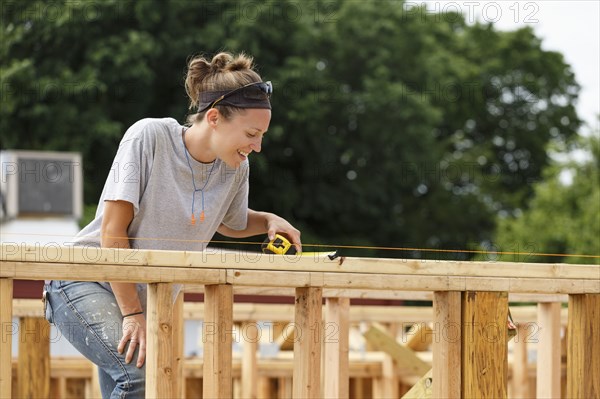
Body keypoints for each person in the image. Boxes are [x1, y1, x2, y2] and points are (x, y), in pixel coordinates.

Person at [43, 52, 301, 398]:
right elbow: (112, 232)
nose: (257, 146)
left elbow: (231, 223)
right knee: (138, 376)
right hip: (86, 280)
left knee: (139, 384)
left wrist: (268, 220)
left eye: (262, 136)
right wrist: (132, 313)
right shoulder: (149, 137)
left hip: (141, 301)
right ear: (213, 117)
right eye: (252, 134)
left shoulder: (235, 167)